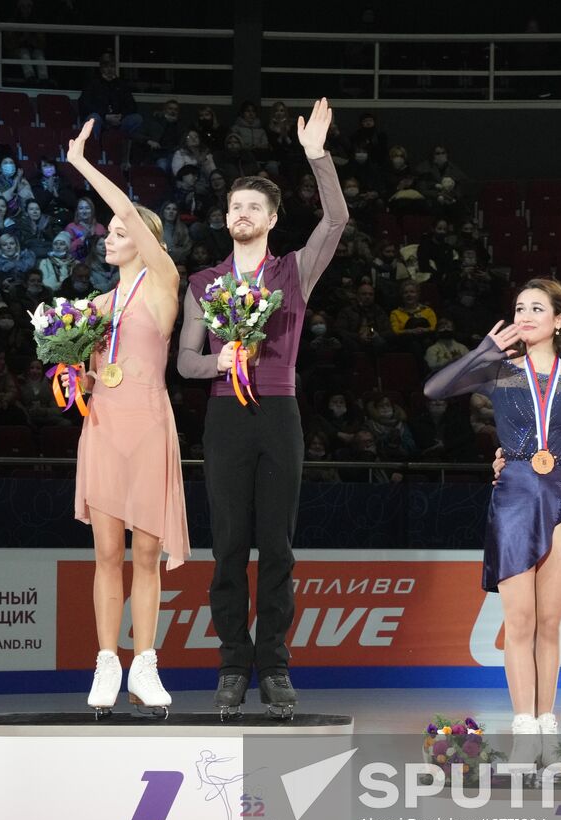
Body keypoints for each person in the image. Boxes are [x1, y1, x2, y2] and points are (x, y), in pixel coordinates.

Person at [177, 98, 346, 717]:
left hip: (279, 414)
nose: (241, 214)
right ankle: (230, 665)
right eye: (234, 207)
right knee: (227, 547)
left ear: (272, 219)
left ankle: (273, 665)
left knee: (275, 546)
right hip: (225, 417)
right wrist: (216, 364)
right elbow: (185, 362)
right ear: (226, 220)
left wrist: (318, 157)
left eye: (254, 207)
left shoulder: (293, 273)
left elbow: (335, 220)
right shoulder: (203, 284)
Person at [427, 281, 561, 749]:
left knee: (549, 624)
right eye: (519, 306)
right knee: (519, 622)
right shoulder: (499, 372)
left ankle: (546, 720)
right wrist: (484, 348)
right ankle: (524, 722)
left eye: (536, 308)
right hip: (514, 505)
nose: (524, 315)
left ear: (559, 320)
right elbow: (433, 388)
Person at [64, 119, 189, 715]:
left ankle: (146, 664)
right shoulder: (93, 307)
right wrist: (73, 377)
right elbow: (86, 376)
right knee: (107, 554)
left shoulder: (164, 285)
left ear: (143, 238)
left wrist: (82, 164)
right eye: (109, 232)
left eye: (119, 231)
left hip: (147, 424)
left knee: (146, 556)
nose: (109, 237)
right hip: (104, 428)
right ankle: (106, 663)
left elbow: (130, 213)